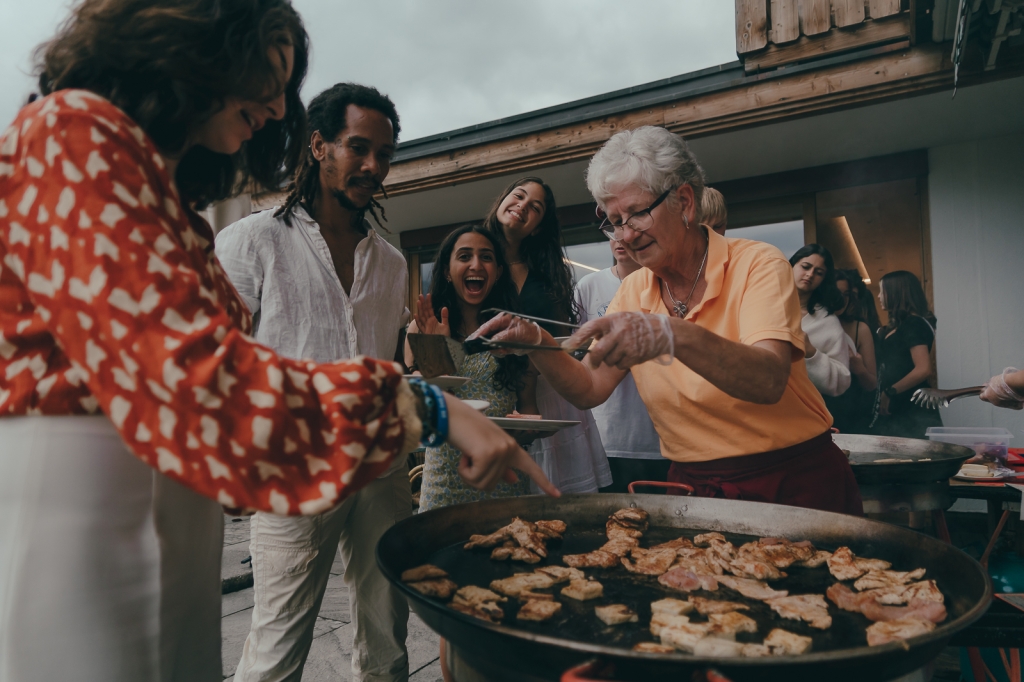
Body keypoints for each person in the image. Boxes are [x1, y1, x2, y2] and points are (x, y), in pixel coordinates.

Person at [0, 3, 554, 680]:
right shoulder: (71, 133)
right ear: (190, 48)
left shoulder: (173, 203)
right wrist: (421, 406)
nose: (275, 105)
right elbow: (197, 374)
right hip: (84, 502)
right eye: (268, 76)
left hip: (187, 492)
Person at [474, 126, 862, 515]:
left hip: (792, 480)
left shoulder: (757, 263)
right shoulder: (633, 289)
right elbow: (590, 387)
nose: (625, 235)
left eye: (637, 214)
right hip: (693, 486)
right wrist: (538, 342)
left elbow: (768, 380)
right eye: (615, 221)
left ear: (685, 202)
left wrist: (670, 334)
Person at [216, 83, 413, 682]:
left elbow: (387, 364)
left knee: (388, 636)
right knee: (278, 646)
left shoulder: (392, 263)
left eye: (384, 154)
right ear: (319, 145)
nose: (373, 165)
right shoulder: (253, 239)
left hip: (380, 467)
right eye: (359, 148)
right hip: (295, 468)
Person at [484, 177, 612, 493]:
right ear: (502, 200)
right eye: (518, 196)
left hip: (549, 394)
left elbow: (562, 339)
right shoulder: (474, 259)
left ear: (537, 228)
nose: (522, 206)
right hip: (494, 393)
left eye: (535, 207)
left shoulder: (547, 273)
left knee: (557, 504)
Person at [406, 225, 539, 509]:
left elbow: (530, 411)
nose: (476, 265)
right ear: (447, 270)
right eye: (464, 256)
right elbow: (425, 417)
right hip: (444, 483)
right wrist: (438, 351)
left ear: (498, 272)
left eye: (486, 257)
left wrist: (525, 430)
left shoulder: (515, 332)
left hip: (505, 479)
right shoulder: (423, 327)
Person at [575, 239, 666, 492]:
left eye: (629, 227)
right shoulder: (589, 285)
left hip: (658, 433)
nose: (621, 238)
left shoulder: (663, 282)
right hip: (607, 433)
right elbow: (576, 348)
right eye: (614, 228)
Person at [869, 271, 942, 438]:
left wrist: (889, 392)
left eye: (882, 291)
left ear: (896, 293)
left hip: (911, 407)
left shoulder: (913, 323)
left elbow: (923, 369)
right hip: (900, 406)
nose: (879, 296)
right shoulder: (900, 325)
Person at [789, 244, 851, 398]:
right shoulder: (764, 305)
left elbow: (842, 381)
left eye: (819, 273)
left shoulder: (827, 322)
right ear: (791, 265)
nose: (810, 274)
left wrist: (810, 352)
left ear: (824, 279)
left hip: (801, 405)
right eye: (805, 267)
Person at [827, 269, 878, 433]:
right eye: (836, 293)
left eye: (847, 294)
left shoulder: (860, 329)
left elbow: (872, 384)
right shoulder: (808, 325)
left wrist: (859, 369)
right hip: (815, 411)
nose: (842, 299)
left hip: (851, 414)